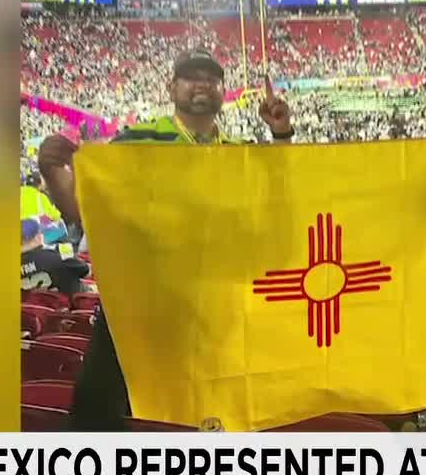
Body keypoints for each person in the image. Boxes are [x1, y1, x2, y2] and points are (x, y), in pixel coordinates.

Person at [36, 50, 294, 433]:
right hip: (136, 305)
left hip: (210, 310)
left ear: (223, 92)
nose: (202, 84)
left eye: (211, 78)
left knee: (203, 415)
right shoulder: (133, 142)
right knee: (99, 411)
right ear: (172, 88)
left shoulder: (237, 152)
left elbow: (278, 196)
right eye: (191, 77)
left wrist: (281, 134)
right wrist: (52, 169)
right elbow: (80, 209)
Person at [20, 218, 90, 296]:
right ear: (37, 237)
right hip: (73, 301)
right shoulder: (56, 256)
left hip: (29, 303)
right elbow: (86, 271)